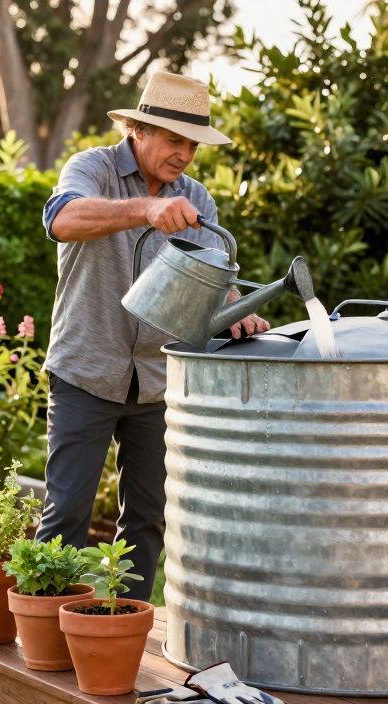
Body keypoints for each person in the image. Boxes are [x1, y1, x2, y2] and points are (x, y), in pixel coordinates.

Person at [37, 71, 269, 601]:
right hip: (85, 370)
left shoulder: (196, 200)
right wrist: (144, 209)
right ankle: (44, 644)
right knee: (68, 511)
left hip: (157, 383)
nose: (185, 154)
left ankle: (124, 632)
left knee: (147, 519)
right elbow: (61, 218)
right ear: (139, 130)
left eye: (192, 143)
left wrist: (238, 313)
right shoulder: (92, 168)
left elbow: (215, 286)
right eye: (174, 140)